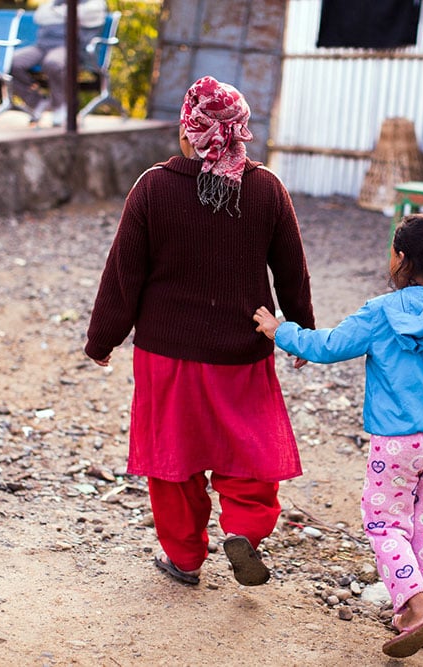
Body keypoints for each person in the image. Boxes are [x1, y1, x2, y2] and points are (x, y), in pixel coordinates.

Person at [84, 76, 315, 588]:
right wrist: (300, 332)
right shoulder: (266, 188)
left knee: (174, 461)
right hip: (244, 353)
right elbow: (292, 270)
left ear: (188, 131)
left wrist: (103, 339)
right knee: (249, 455)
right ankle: (246, 531)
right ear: (239, 133)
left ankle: (185, 557)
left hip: (167, 355)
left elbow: (124, 273)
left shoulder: (153, 187)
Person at [252, 213, 423, 658]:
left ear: (400, 258)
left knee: (384, 523)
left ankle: (415, 607)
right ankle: (419, 609)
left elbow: (328, 347)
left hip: (395, 445)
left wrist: (279, 330)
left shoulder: (380, 312)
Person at [11, 0, 107, 126]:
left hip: (69, 47)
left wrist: (59, 13)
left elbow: (86, 14)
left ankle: (60, 106)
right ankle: (37, 103)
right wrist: (66, 14)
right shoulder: (54, 4)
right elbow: (40, 16)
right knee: (11, 62)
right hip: (41, 46)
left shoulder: (95, 4)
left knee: (53, 63)